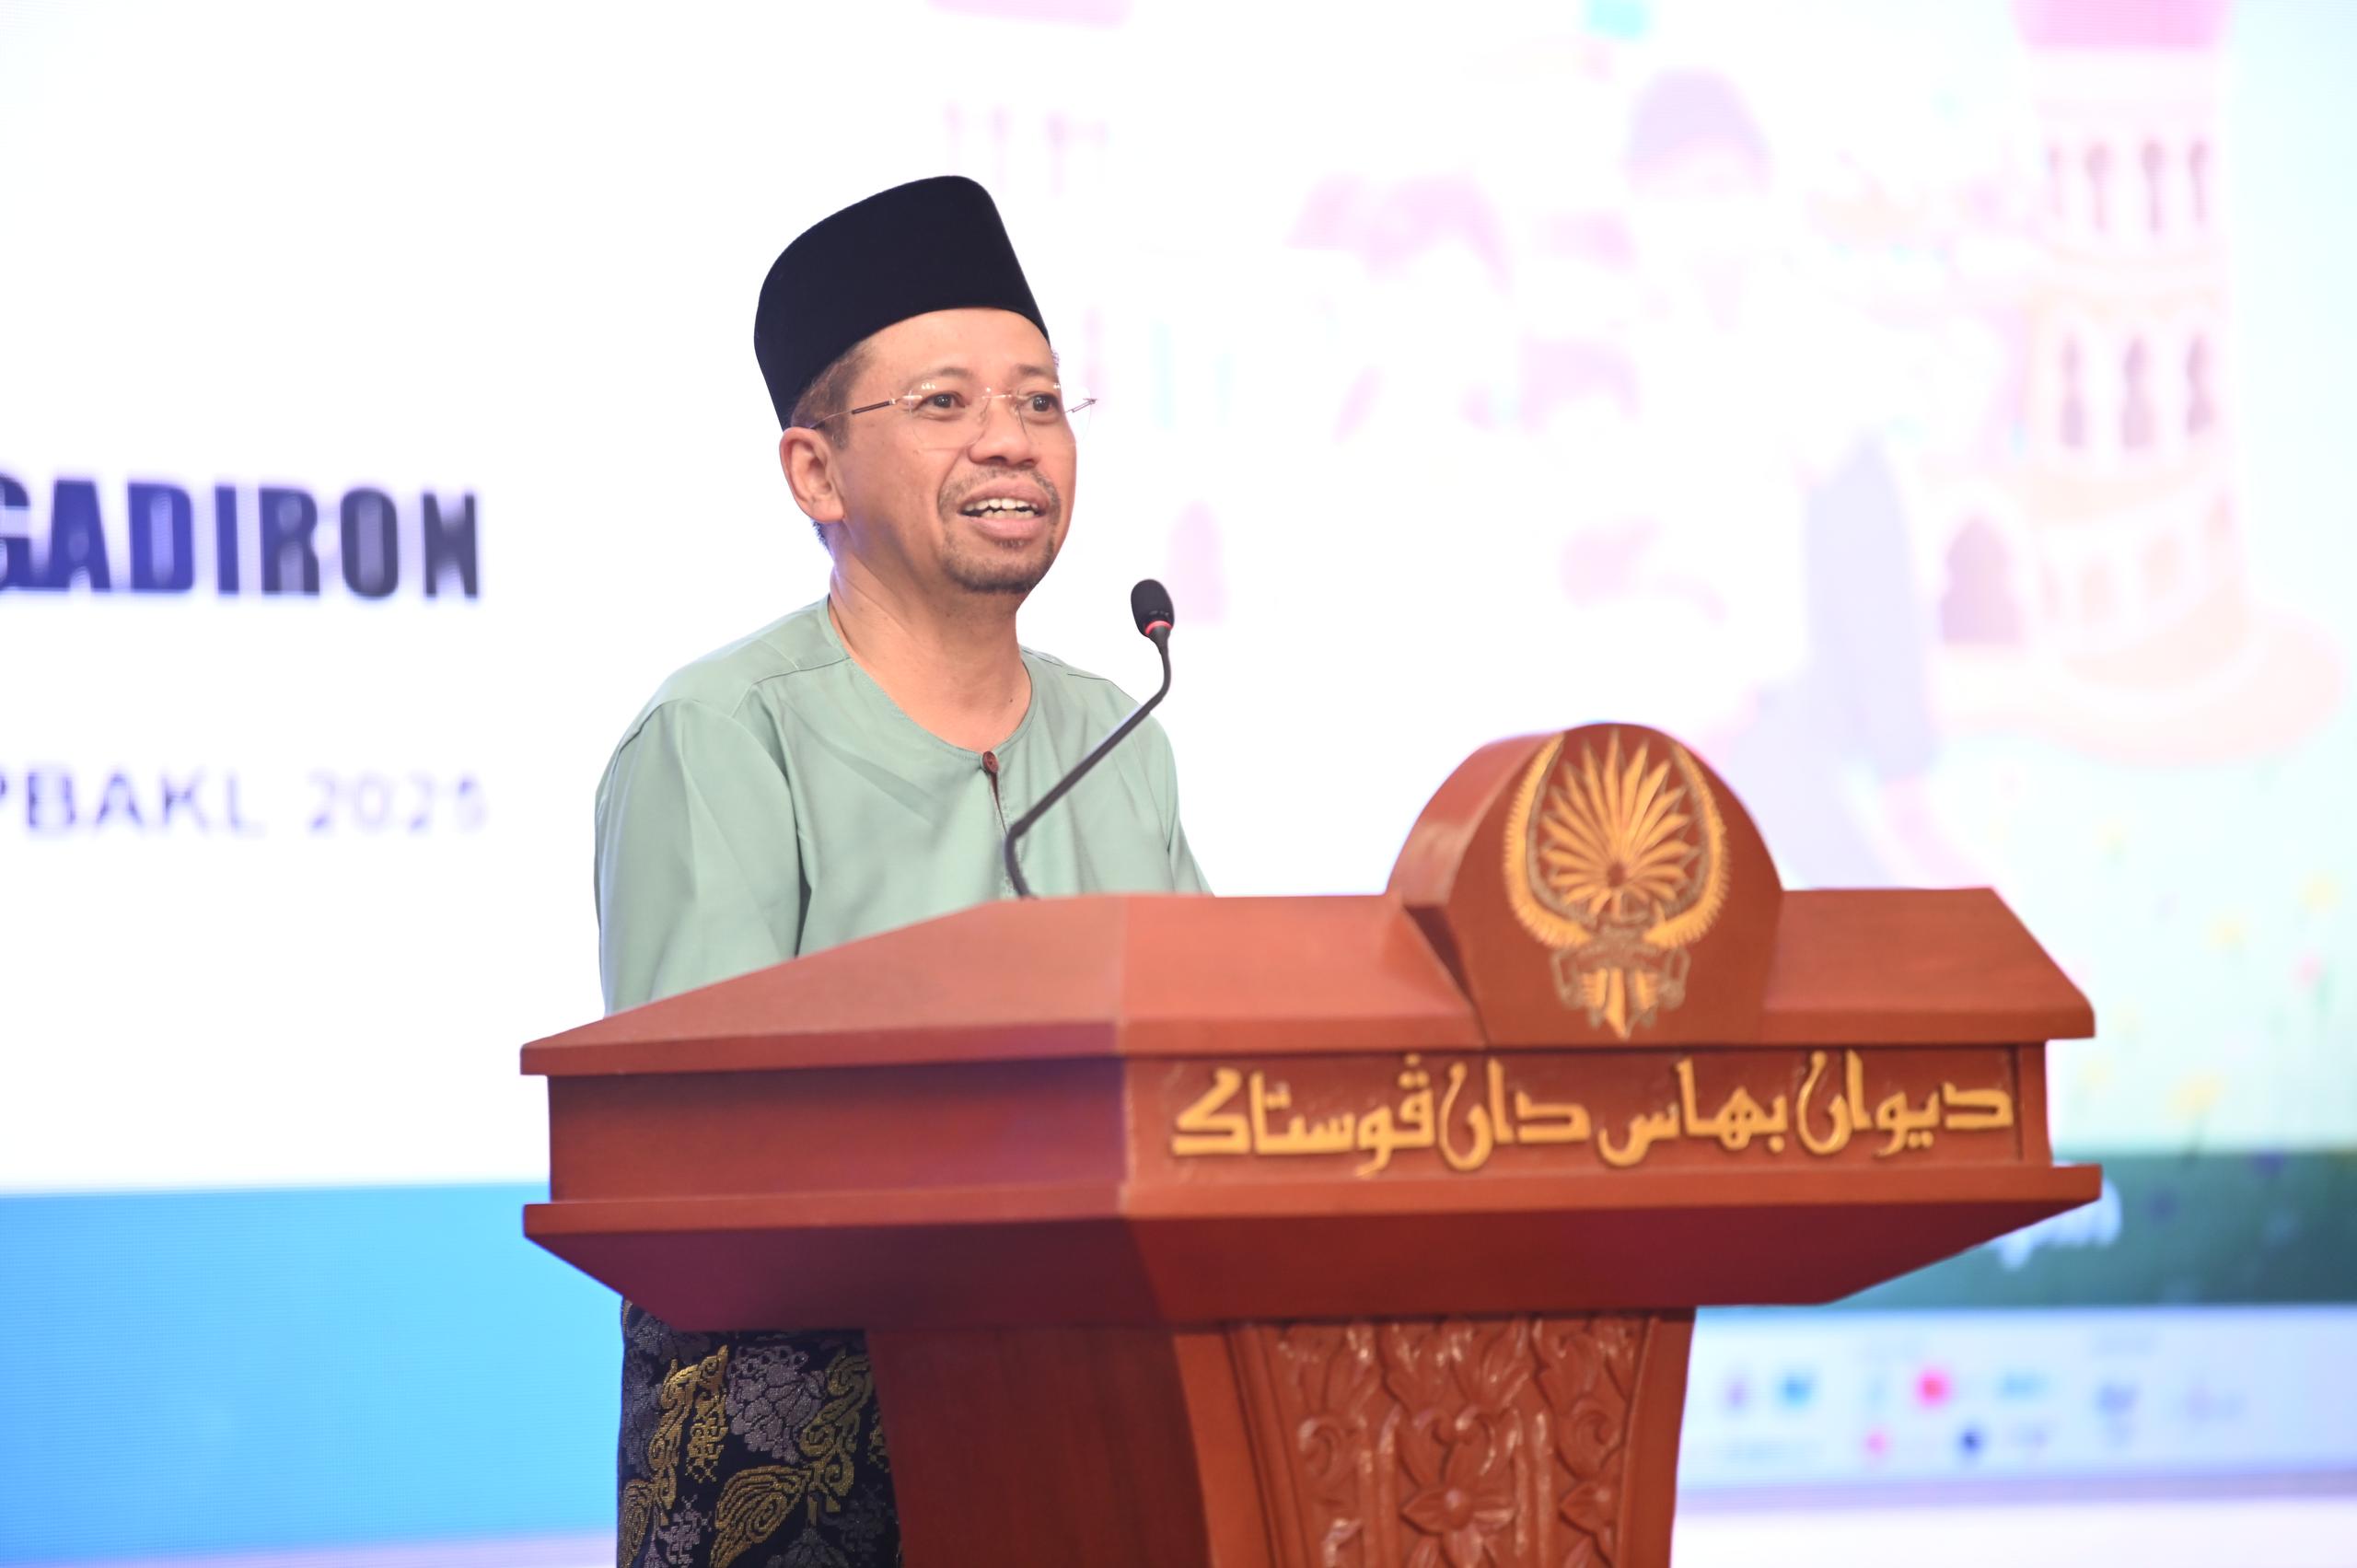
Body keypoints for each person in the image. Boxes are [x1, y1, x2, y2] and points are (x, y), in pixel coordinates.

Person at [592, 175, 1209, 1568]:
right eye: (944, 404)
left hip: (1099, 1419)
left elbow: (1211, 1080)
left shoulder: (1118, 733)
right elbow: (691, 1157)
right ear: (815, 473)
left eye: (1041, 402)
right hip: (807, 1447)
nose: (1012, 441)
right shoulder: (723, 734)